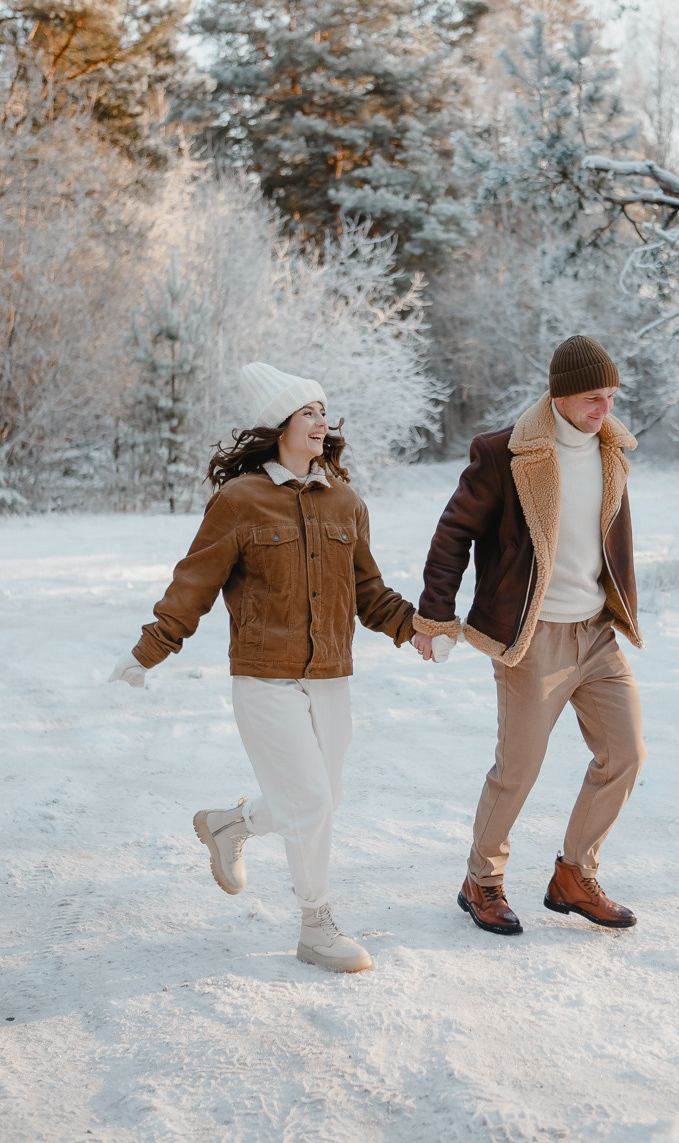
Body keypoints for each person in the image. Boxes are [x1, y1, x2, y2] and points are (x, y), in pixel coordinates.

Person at [110, 362, 418, 973]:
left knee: (319, 800)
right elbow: (193, 583)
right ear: (281, 424)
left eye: (324, 411)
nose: (321, 421)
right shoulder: (241, 500)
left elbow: (371, 593)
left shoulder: (345, 503)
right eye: (309, 412)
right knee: (308, 798)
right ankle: (316, 923)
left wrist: (418, 631)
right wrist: (148, 651)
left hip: (331, 675)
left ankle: (230, 825)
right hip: (264, 677)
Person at [412, 336, 646, 936]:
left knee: (624, 754)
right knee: (519, 769)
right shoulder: (504, 454)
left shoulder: (612, 451)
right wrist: (436, 615)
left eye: (612, 397)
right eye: (594, 397)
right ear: (561, 394)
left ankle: (574, 874)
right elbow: (452, 533)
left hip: (596, 634)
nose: (605, 409)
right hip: (531, 638)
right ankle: (481, 881)